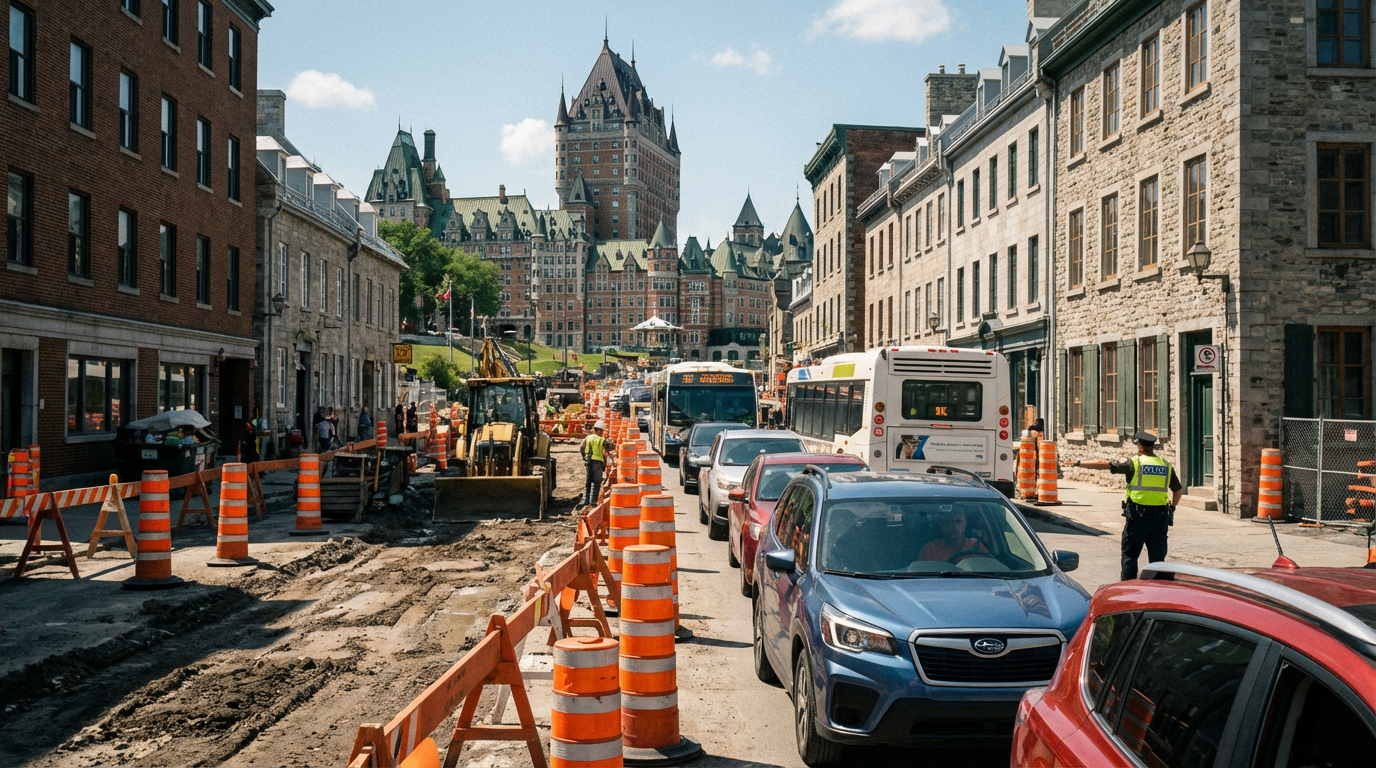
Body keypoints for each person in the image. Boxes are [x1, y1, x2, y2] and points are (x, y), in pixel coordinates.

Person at [1067, 431, 1183, 581]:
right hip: (1160, 518)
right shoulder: (1165, 465)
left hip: (1138, 517)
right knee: (1158, 559)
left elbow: (1106, 465)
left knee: (1130, 555)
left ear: (1140, 446)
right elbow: (1178, 490)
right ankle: (1161, 590)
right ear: (1153, 447)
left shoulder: (1134, 463)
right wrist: (1172, 507)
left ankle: (1128, 586)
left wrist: (1079, 463)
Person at [918, 508, 988, 561]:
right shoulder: (930, 550)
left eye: (958, 521)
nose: (954, 527)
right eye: (948, 522)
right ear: (941, 525)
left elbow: (989, 569)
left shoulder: (977, 546)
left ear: (965, 524)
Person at [581, 420, 614, 508]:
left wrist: (584, 457)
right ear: (599, 430)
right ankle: (593, 501)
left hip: (588, 462)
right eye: (602, 431)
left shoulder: (588, 438)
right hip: (597, 462)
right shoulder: (601, 439)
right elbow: (610, 447)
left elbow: (582, 448)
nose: (602, 433)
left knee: (588, 481)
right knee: (596, 482)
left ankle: (585, 500)